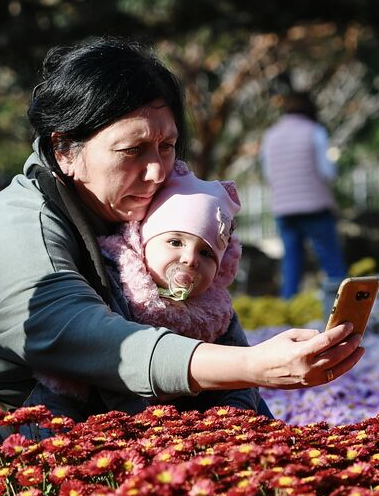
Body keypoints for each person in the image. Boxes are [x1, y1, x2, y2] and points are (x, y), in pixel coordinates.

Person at [0, 38, 363, 475]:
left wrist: (272, 445)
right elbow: (101, 342)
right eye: (133, 151)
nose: (157, 172)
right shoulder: (17, 229)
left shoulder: (142, 213)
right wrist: (252, 364)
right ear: (65, 149)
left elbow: (203, 324)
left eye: (168, 146)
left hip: (55, 439)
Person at [37, 169, 263, 417]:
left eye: (206, 253)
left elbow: (242, 377)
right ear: (143, 242)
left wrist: (232, 419)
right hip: (105, 415)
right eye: (175, 242)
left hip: (188, 427)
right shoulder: (114, 282)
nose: (190, 259)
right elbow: (102, 360)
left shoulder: (216, 310)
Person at [260, 92, 348, 302]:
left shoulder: (270, 136)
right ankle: (344, 309)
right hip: (314, 207)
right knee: (331, 262)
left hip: (284, 209)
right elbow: (327, 171)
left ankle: (288, 312)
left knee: (291, 263)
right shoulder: (314, 131)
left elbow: (268, 174)